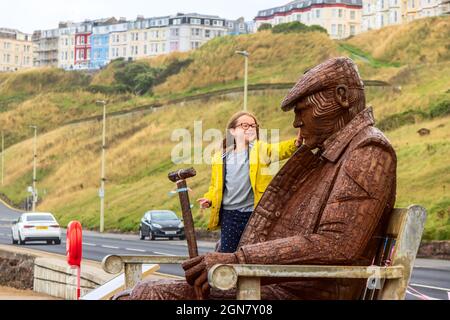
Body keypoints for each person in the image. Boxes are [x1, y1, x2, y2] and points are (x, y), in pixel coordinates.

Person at [114, 57, 397, 300]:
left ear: (342, 96)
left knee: (148, 295)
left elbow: (337, 244)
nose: (297, 122)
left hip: (297, 292)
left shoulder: (369, 150)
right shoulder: (333, 153)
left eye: (302, 111)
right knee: (141, 293)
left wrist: (238, 260)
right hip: (277, 284)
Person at [197, 111, 300, 253]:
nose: (250, 128)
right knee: (228, 255)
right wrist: (208, 199)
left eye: (253, 125)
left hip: (255, 213)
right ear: (232, 131)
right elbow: (215, 186)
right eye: (244, 125)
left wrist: (296, 143)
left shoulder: (261, 150)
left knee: (254, 254)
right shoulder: (220, 158)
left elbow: (279, 149)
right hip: (230, 215)